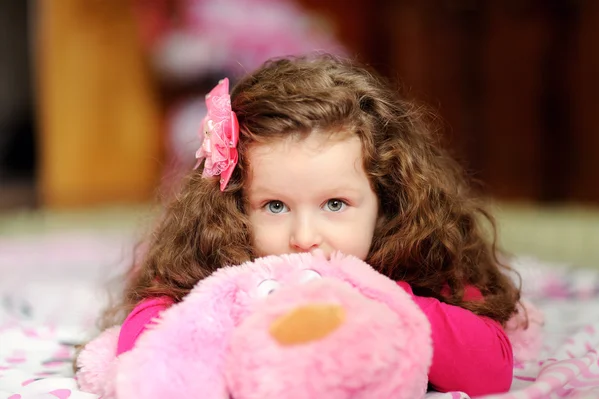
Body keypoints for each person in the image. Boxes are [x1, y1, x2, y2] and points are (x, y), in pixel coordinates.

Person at [108, 54, 520, 396]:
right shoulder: (225, 261)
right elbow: (143, 345)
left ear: (388, 200)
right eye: (274, 206)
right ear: (234, 206)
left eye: (335, 204)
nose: (304, 238)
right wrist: (237, 313)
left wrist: (379, 296)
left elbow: (492, 369)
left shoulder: (414, 256)